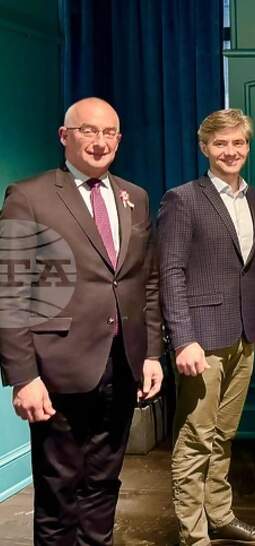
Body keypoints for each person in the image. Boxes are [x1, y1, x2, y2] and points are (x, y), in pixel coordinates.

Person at [0, 97, 164, 545]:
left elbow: (145, 282)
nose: (100, 141)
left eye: (109, 132)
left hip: (123, 365)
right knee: (59, 493)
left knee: (103, 485)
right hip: (58, 371)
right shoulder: (29, 196)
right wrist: (23, 377)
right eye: (88, 131)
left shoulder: (135, 197)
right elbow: (10, 293)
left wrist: (152, 353)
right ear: (64, 136)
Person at [158, 108, 255, 546]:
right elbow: (170, 272)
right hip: (201, 341)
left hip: (244, 335)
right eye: (221, 143)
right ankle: (194, 535)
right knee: (195, 438)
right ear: (204, 147)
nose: (231, 151)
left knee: (224, 434)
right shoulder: (183, 199)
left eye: (238, 142)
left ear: (248, 147)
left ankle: (220, 515)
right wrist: (183, 339)